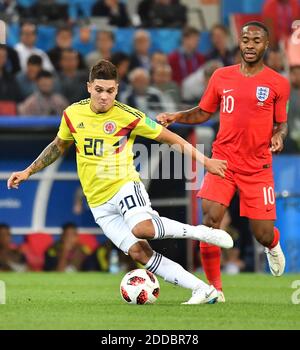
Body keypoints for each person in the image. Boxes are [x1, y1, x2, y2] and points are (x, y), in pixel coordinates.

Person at [7, 59, 233, 305]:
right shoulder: (72, 114)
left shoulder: (128, 116)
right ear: (89, 87)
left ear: (116, 89)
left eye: (110, 91)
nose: (105, 97)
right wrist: (28, 171)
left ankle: (202, 232)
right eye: (99, 90)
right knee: (140, 252)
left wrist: (205, 161)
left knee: (142, 228)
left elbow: (171, 138)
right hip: (97, 202)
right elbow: (58, 146)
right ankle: (203, 290)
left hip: (124, 186)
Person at [157, 22, 290, 302]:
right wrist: (177, 116)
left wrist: (279, 136)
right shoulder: (221, 77)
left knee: (262, 234)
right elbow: (203, 112)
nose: (250, 45)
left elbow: (282, 124)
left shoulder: (278, 83)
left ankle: (273, 243)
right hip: (223, 161)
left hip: (258, 167)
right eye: (245, 40)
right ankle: (215, 289)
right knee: (209, 222)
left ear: (266, 45)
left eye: (256, 40)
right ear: (239, 43)